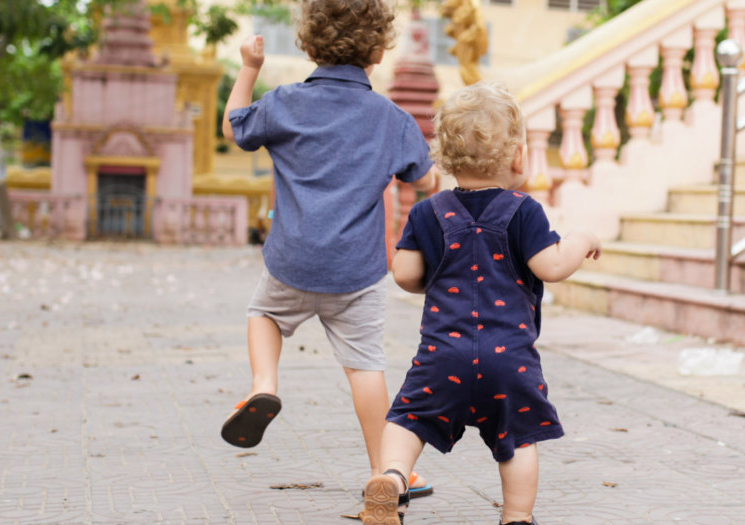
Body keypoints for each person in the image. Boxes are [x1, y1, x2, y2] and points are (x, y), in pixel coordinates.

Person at [218, 0, 438, 501]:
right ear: (379, 52)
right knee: (365, 367)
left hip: (291, 262)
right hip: (356, 274)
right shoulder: (391, 118)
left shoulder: (285, 102)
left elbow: (234, 127)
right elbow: (423, 177)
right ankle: (387, 470)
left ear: (310, 45)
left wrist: (250, 67)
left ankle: (263, 385)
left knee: (264, 314)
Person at [361, 82, 602, 525]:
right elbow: (550, 266)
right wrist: (580, 239)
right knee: (518, 438)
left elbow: (405, 274)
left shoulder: (428, 212)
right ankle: (516, 516)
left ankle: (392, 479)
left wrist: (438, 278)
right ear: (517, 157)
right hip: (508, 358)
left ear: (446, 157)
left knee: (409, 418)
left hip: (442, 356)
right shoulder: (524, 210)